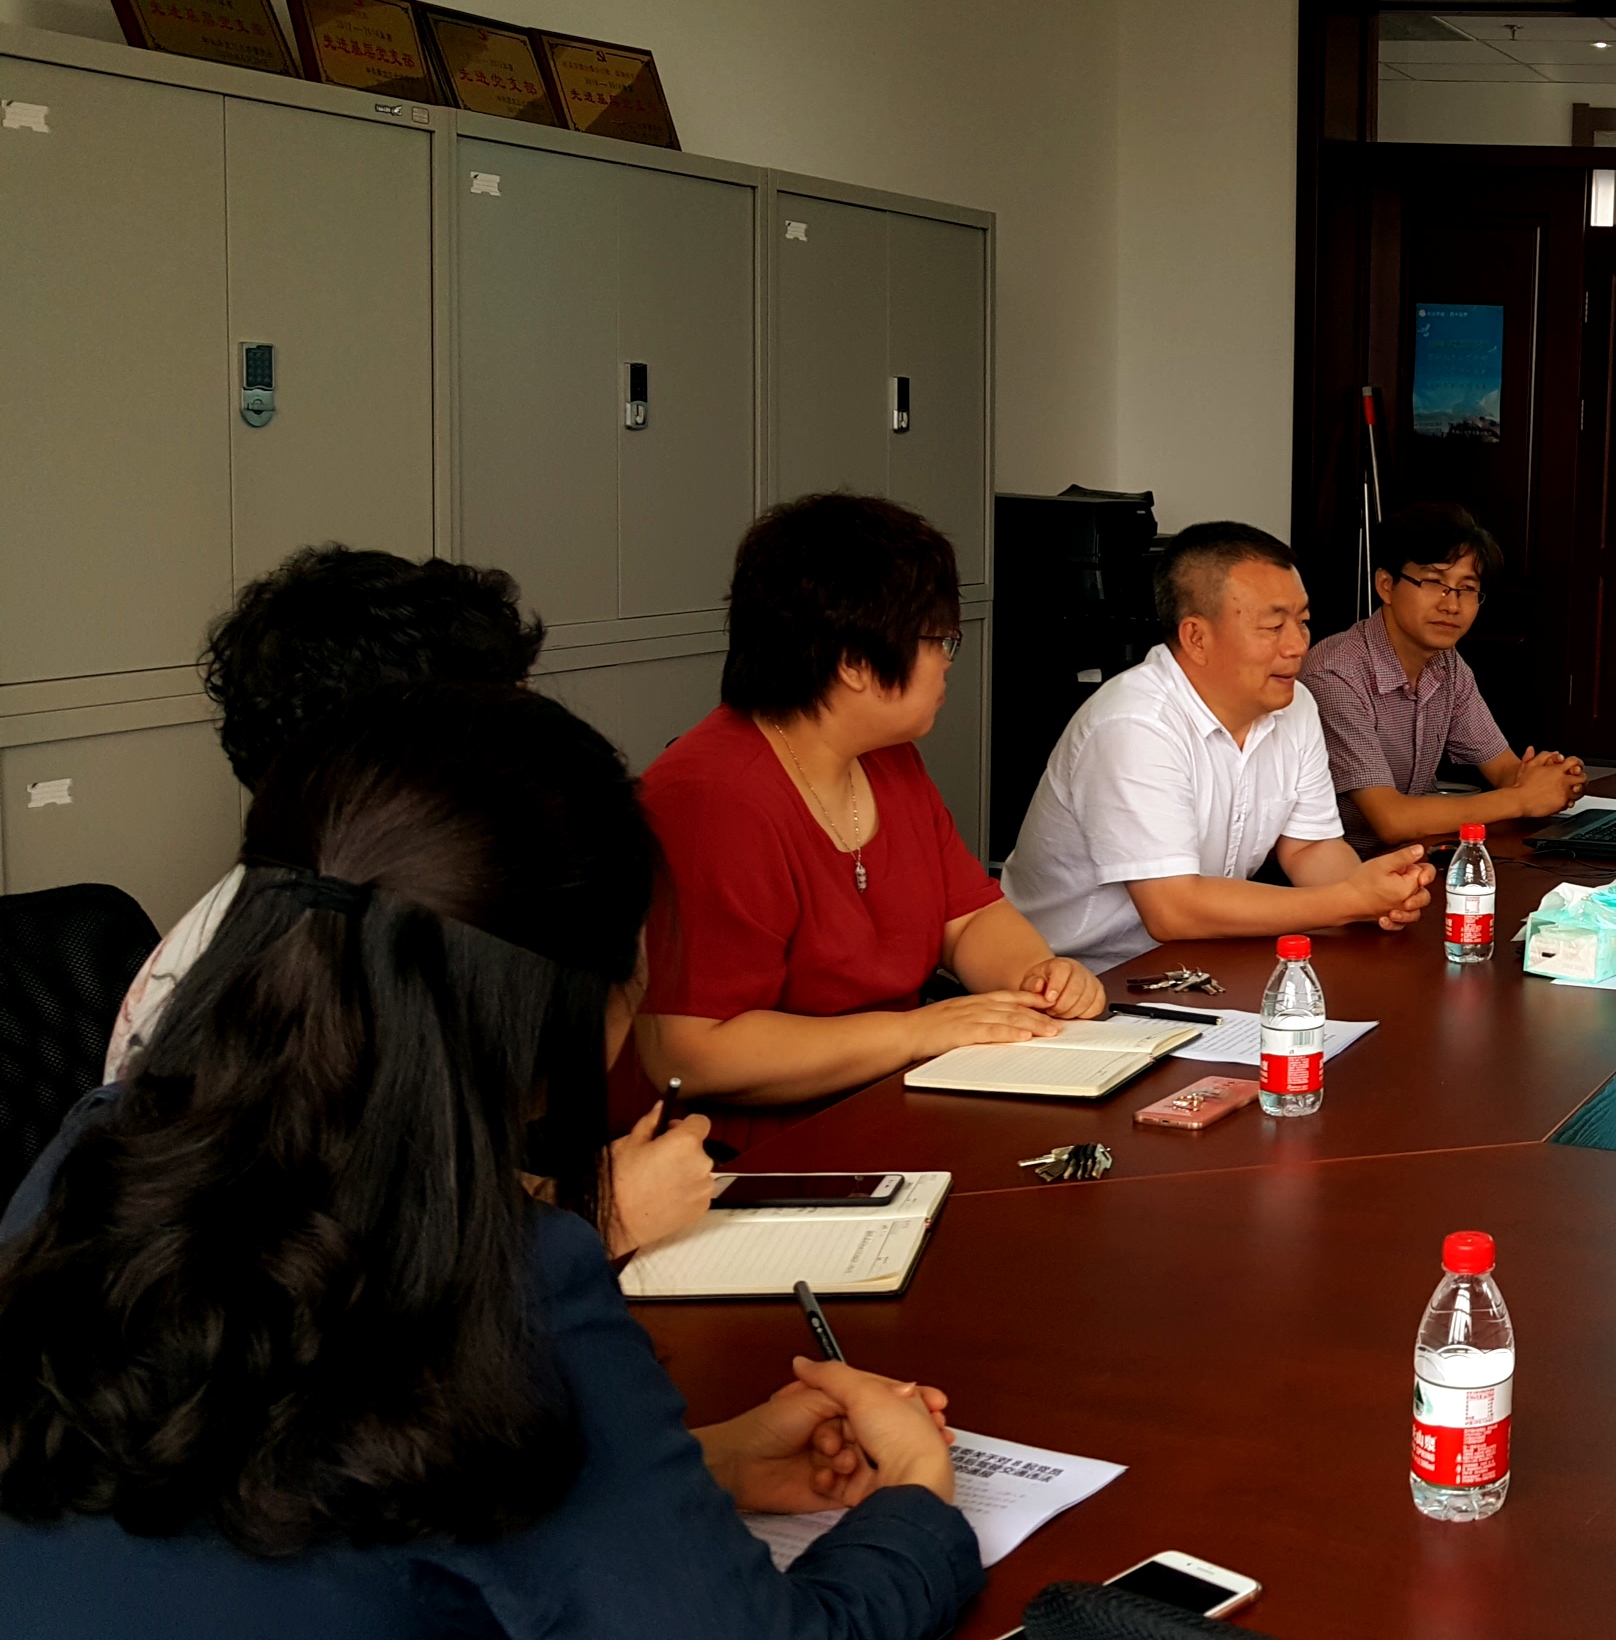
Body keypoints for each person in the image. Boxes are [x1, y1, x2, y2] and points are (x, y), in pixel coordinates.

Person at [0, 685, 983, 1636]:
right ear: (562, 1007)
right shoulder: (510, 1275)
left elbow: (306, 1502)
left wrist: (705, 1469)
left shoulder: (90, 1152)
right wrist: (915, 1500)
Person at [99, 544, 707, 1259]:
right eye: (502, 721)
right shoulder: (270, 974)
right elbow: (320, 1272)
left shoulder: (345, 918)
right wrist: (598, 1221)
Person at [639, 495, 1099, 1135]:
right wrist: (914, 1032)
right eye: (939, 640)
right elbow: (690, 1053)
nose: (947, 661)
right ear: (855, 662)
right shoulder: (712, 798)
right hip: (740, 1149)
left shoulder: (887, 756)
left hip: (885, 1103)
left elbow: (967, 918)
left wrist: (1038, 979)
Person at [1004, 521, 1435, 971]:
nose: (1297, 646)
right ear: (1197, 637)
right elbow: (1173, 909)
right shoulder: (1135, 724)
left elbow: (1309, 848)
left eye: (1303, 622)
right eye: (1273, 626)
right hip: (1072, 977)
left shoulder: (1295, 704)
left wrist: (1378, 894)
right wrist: (1347, 901)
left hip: (1199, 961)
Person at [1300, 503, 1589, 855]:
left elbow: (1504, 769)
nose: (1452, 605)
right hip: (1339, 872)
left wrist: (1552, 779)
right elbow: (1392, 820)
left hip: (1414, 859)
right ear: (1386, 586)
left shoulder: (1447, 664)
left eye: (1466, 588)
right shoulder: (1336, 673)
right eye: (1434, 583)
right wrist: (1523, 799)